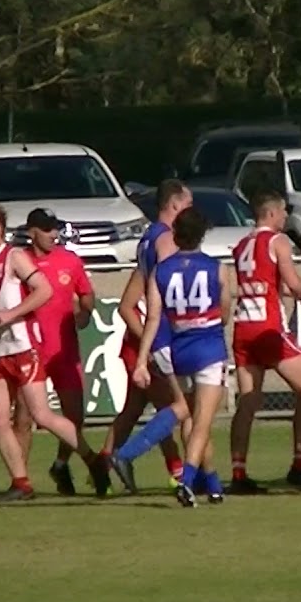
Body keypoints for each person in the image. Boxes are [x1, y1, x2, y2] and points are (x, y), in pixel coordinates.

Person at [0, 204, 110, 500]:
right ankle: (21, 482)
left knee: (42, 415)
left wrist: (11, 315)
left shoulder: (15, 257)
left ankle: (91, 459)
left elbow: (43, 290)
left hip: (24, 346)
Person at [228, 191, 301, 492]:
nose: (286, 217)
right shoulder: (277, 241)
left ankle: (238, 473)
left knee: (248, 401)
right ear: (271, 214)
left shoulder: (242, 244)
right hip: (268, 329)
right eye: (283, 212)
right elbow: (293, 280)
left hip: (243, 328)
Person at [132, 207, 231, 507]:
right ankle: (187, 481)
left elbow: (152, 318)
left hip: (179, 350)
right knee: (201, 422)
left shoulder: (161, 271)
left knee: (189, 415)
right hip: (209, 347)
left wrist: (140, 360)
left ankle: (213, 485)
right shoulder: (218, 268)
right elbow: (225, 314)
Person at [108, 180, 196, 491]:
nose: (192, 211)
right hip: (172, 339)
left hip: (157, 341)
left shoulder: (147, 240)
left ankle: (105, 465)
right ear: (174, 205)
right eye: (189, 204)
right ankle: (185, 474)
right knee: (186, 408)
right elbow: (174, 295)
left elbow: (127, 305)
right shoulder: (167, 241)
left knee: (138, 408)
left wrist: (146, 340)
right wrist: (157, 337)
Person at [18, 208, 99, 495]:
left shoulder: (70, 260)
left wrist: (85, 312)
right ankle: (21, 480)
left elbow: (87, 294)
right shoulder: (20, 262)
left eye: (55, 228)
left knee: (74, 416)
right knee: (24, 417)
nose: (53, 234)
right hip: (30, 350)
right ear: (32, 232)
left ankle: (61, 464)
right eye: (47, 229)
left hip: (64, 351)